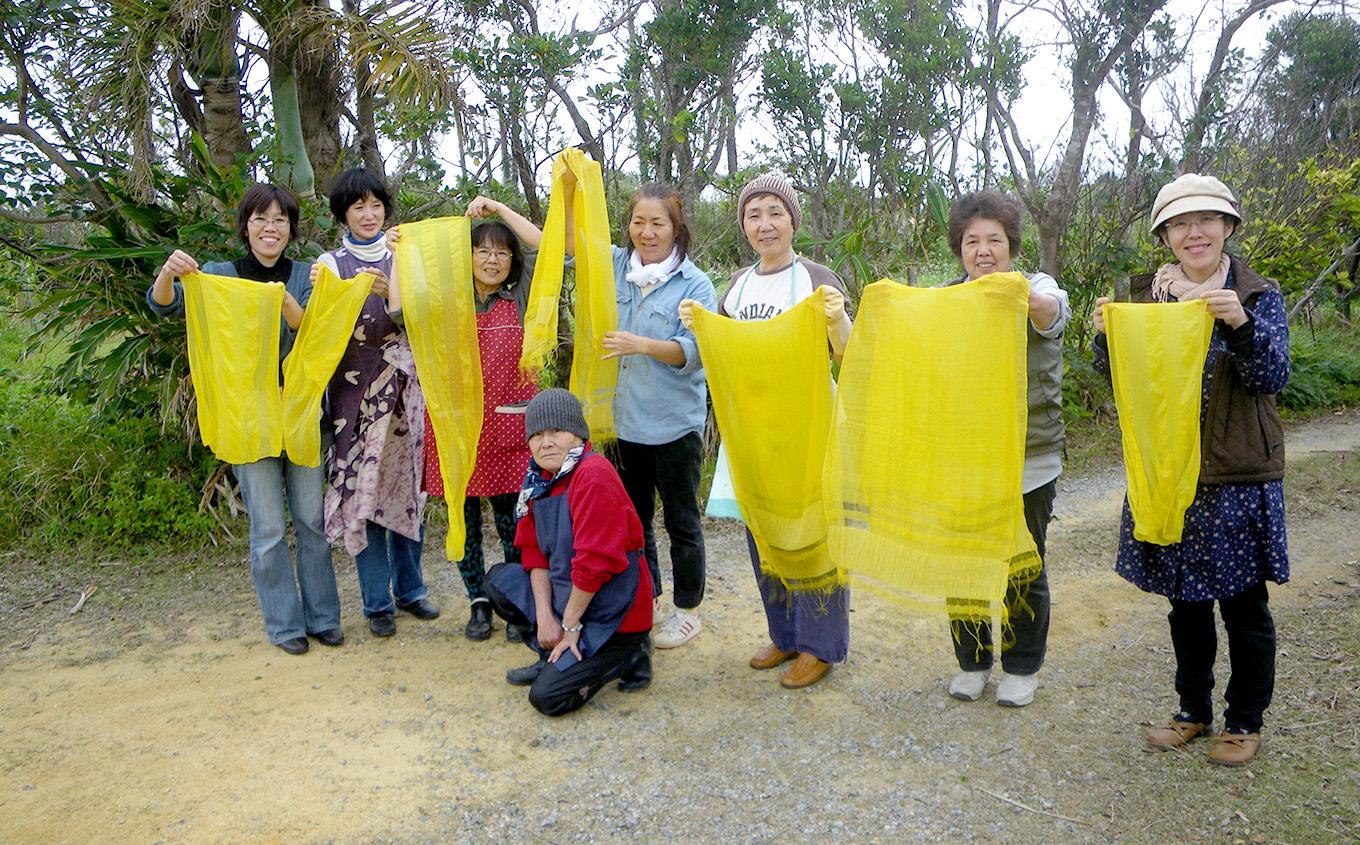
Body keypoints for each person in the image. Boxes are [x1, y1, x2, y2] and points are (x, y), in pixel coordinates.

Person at [1092, 173, 1290, 766]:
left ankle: (1245, 719)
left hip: (1236, 475)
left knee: (1244, 606)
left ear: (1228, 227)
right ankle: (1192, 711)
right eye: (1180, 223)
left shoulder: (1257, 296)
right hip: (1169, 475)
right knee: (1186, 603)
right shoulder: (1145, 300)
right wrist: (1107, 340)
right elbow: (1126, 388)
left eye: (1206, 220)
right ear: (1166, 237)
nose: (1194, 232)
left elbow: (1274, 377)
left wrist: (1240, 325)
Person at [147, 184, 341, 655]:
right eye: (260, 219)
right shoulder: (217, 274)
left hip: (300, 414)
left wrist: (293, 297)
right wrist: (170, 273)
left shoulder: (307, 276)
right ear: (246, 226)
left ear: (292, 228)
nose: (270, 228)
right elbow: (164, 304)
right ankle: (284, 625)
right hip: (247, 417)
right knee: (270, 529)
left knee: (312, 522)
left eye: (280, 220)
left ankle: (323, 617)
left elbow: (317, 334)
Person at [679, 173, 852, 688]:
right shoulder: (738, 285)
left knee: (814, 536)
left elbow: (852, 352)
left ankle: (821, 646)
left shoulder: (818, 277)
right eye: (754, 214)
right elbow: (728, 362)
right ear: (744, 226)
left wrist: (839, 321)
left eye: (775, 211)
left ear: (793, 220)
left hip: (809, 430)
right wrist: (703, 330)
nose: (765, 224)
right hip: (753, 433)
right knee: (764, 531)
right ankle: (786, 633)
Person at [560, 176, 718, 649]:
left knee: (682, 522)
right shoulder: (613, 265)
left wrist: (641, 345)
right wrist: (567, 193)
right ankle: (645, 600)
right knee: (633, 520)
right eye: (638, 222)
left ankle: (688, 610)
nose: (647, 232)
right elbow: (558, 242)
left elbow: (696, 352)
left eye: (658, 223)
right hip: (624, 425)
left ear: (676, 227)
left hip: (673, 426)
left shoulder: (695, 285)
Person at [943, 190, 1070, 708]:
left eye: (994, 239)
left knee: (1024, 562)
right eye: (972, 241)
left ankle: (1021, 667)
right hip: (963, 456)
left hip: (1028, 457)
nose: (983, 250)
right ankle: (972, 663)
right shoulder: (947, 299)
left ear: (1011, 245)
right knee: (964, 563)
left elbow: (1050, 314)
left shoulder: (1036, 287)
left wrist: (1013, 294)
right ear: (960, 250)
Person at [408, 197, 543, 642]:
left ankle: (515, 602)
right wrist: (397, 250)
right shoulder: (447, 300)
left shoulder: (522, 295)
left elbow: (548, 248)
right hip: (456, 430)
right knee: (463, 520)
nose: (491, 259)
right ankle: (479, 602)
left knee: (515, 523)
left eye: (501, 252)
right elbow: (399, 307)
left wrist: (499, 209)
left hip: (510, 428)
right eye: (481, 251)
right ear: (465, 258)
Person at [316, 167, 436, 639]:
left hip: (407, 394)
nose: (368, 214)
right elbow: (321, 332)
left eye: (375, 205)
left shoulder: (407, 256)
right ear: (343, 214)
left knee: (408, 491)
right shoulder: (328, 265)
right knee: (364, 496)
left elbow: (427, 321)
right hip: (355, 398)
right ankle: (376, 602)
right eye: (357, 207)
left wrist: (393, 298)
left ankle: (412, 591)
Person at [484, 389, 654, 716]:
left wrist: (571, 626)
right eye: (536, 435)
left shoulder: (593, 475)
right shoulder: (540, 479)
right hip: (571, 599)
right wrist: (546, 618)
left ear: (578, 434)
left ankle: (629, 654)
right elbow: (533, 552)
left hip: (613, 611)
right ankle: (551, 655)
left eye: (556, 432)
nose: (545, 442)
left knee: (547, 698)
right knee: (499, 581)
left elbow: (594, 565)